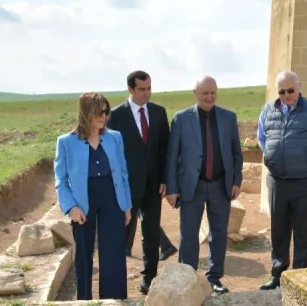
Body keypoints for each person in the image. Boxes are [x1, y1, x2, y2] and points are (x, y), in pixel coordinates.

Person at [257, 71, 307, 290]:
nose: (287, 95)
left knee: (306, 232)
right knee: (279, 230)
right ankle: (278, 275)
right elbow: (262, 139)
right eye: (281, 91)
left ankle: (302, 279)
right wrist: (275, 159)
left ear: (299, 87)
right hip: (278, 181)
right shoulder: (267, 110)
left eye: (291, 90)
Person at [165, 76, 243, 294]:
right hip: (192, 186)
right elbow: (172, 157)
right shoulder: (181, 119)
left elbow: (237, 152)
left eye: (212, 93)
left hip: (221, 185)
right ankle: (187, 279)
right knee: (189, 235)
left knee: (218, 233)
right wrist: (171, 188)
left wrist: (236, 180)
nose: (209, 97)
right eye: (204, 94)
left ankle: (214, 278)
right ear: (195, 93)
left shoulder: (229, 117)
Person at [54, 92, 132, 300]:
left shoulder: (115, 137)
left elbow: (123, 173)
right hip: (82, 202)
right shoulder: (65, 142)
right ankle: (85, 301)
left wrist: (126, 205)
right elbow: (61, 180)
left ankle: (113, 299)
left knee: (113, 252)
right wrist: (71, 207)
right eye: (99, 112)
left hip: (112, 197)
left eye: (106, 111)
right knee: (84, 253)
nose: (104, 116)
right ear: (85, 113)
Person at [106, 70, 171, 294]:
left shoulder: (159, 113)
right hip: (126, 187)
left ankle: (149, 279)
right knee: (123, 234)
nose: (146, 93)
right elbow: (112, 154)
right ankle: (117, 281)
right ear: (130, 90)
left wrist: (165, 179)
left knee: (151, 234)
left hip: (154, 185)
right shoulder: (115, 116)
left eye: (149, 88)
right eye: (142, 89)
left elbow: (166, 150)